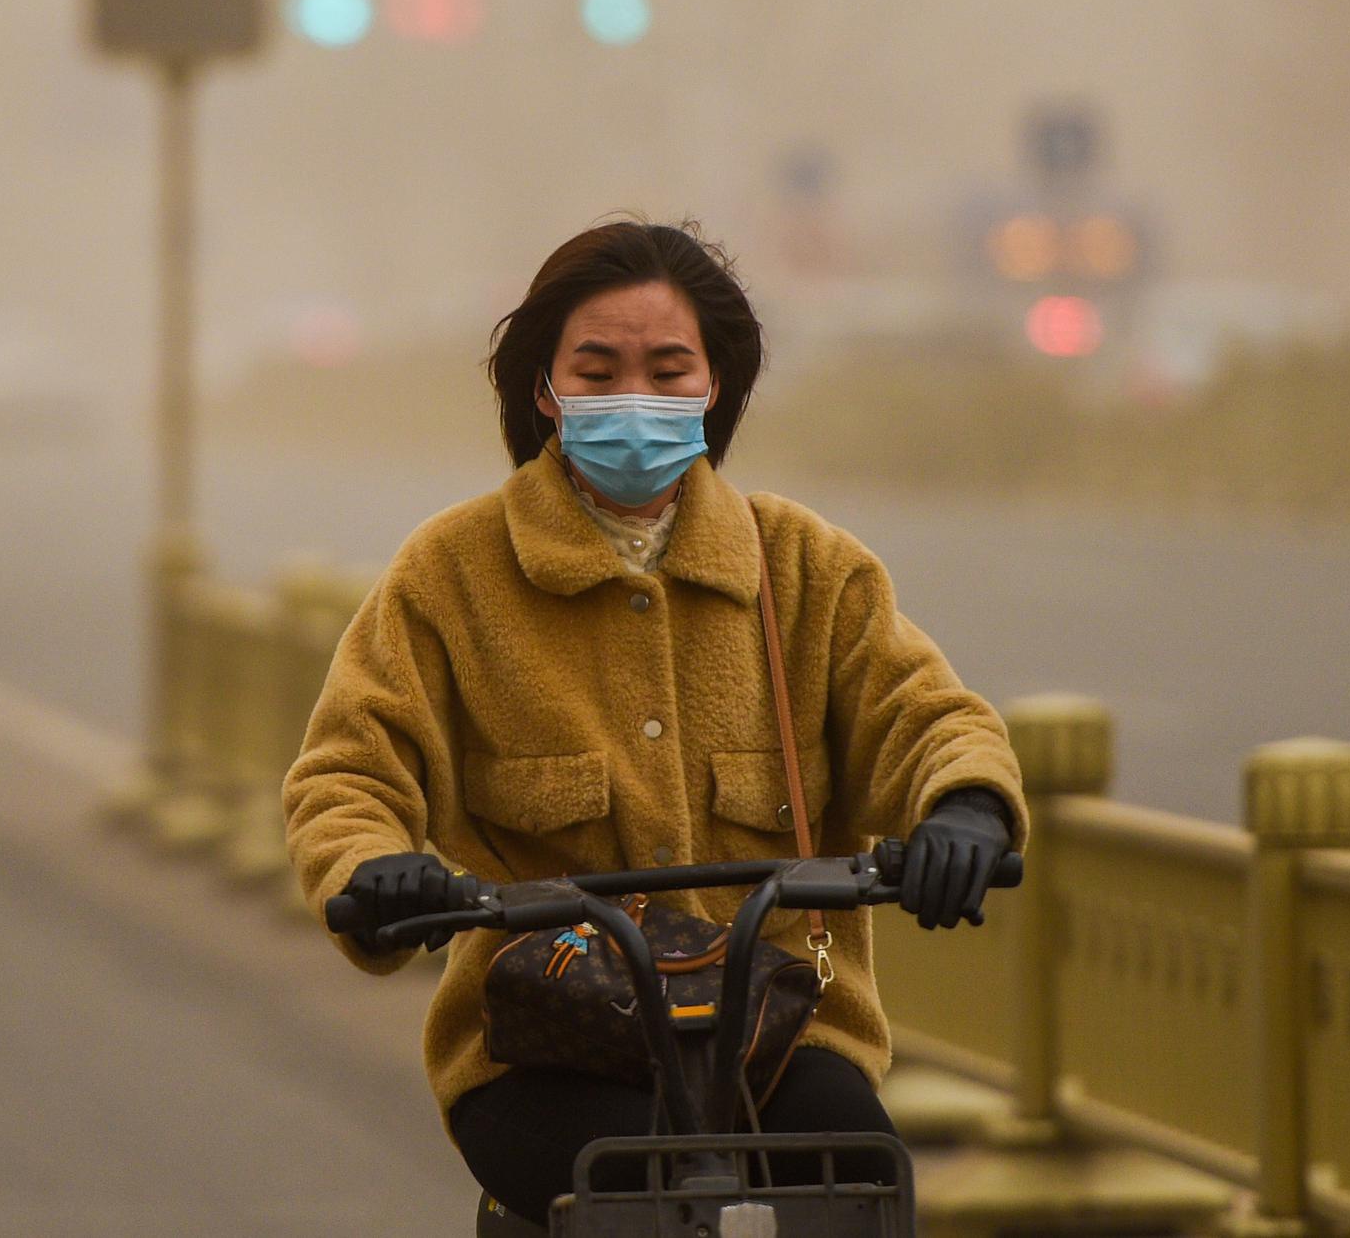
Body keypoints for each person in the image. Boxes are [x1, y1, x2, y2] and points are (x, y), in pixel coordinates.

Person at [282, 221, 1026, 1227]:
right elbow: (347, 772)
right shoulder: (449, 574)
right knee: (628, 1195)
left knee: (856, 1186)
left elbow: (924, 715)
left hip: (776, 1038)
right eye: (597, 367)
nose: (634, 392)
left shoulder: (808, 570)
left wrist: (967, 809)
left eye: (666, 367)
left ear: (713, 385)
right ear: (544, 387)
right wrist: (370, 872)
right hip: (541, 1042)